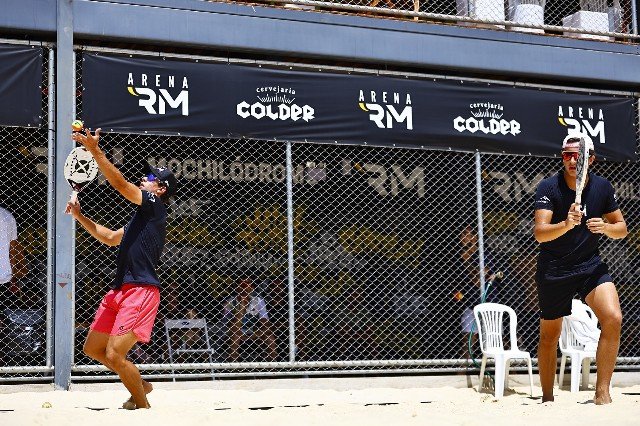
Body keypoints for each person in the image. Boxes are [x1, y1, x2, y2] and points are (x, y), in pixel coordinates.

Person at [66, 128, 177, 410]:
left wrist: (95, 151)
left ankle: (141, 405)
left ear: (160, 189)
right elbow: (109, 238)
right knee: (92, 349)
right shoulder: (140, 218)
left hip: (141, 290)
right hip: (121, 291)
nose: (144, 178)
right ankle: (140, 383)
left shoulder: (155, 206)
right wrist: (80, 216)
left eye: (150, 178)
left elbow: (119, 184)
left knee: (115, 355)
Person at [534, 134, 627, 404]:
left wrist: (606, 227)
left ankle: (602, 393)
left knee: (613, 318)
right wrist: (565, 224)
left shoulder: (603, 187)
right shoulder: (548, 187)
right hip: (554, 268)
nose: (573, 160)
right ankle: (548, 398)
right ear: (562, 158)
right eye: (567, 155)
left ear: (591, 158)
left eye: (579, 155)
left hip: (589, 265)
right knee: (550, 336)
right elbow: (540, 234)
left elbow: (621, 229)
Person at [457, 225, 500, 360]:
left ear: (475, 238)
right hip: (471, 304)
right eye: (462, 234)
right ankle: (463, 374)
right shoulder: (459, 255)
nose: (463, 237)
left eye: (467, 234)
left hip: (488, 304)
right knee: (467, 343)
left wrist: (466, 262)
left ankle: (508, 373)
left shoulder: (483, 253)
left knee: (496, 343)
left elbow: (479, 281)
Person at [223, 277, 277, 362]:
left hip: (253, 334)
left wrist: (254, 335)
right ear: (237, 287)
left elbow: (265, 324)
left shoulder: (258, 301)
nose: (244, 288)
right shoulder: (229, 303)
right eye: (242, 285)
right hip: (232, 335)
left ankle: (272, 369)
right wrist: (242, 308)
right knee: (235, 337)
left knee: (270, 337)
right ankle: (233, 369)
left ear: (251, 288)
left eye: (247, 285)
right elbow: (232, 328)